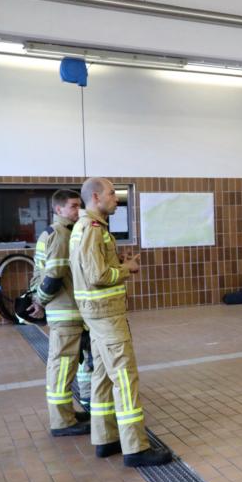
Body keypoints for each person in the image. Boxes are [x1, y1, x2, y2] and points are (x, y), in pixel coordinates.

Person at [69, 177, 171, 466]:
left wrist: (119, 264)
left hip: (97, 314)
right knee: (125, 378)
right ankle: (136, 448)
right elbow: (97, 275)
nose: (117, 199)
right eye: (112, 193)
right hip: (105, 315)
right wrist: (128, 269)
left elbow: (94, 269)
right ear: (96, 197)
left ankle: (106, 439)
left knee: (102, 377)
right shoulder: (92, 229)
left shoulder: (87, 227)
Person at [28, 189, 90, 437]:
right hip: (65, 311)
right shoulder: (62, 235)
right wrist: (40, 301)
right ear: (58, 209)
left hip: (66, 310)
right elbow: (53, 276)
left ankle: (67, 414)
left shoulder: (57, 232)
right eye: (73, 206)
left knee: (66, 365)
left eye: (79, 206)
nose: (78, 211)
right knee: (62, 367)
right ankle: (62, 422)